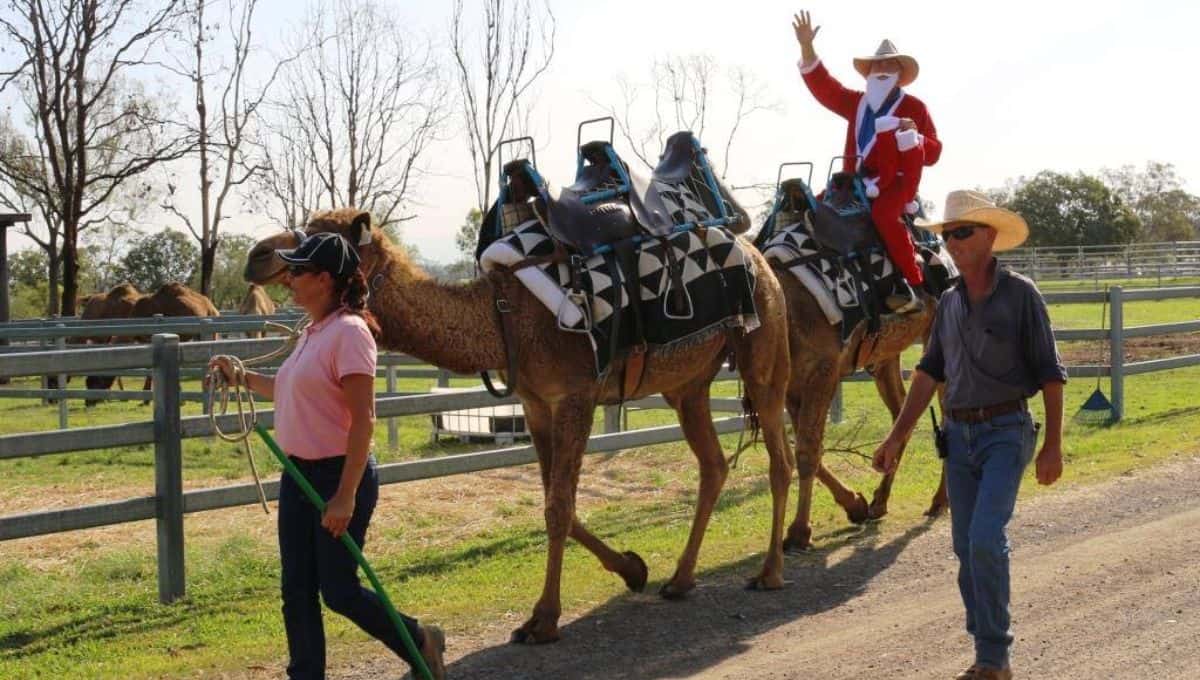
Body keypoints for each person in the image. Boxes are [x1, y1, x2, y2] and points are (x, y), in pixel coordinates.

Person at [209, 231, 445, 680]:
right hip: (298, 477)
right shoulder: (313, 332)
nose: (288, 280)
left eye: (297, 272)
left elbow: (364, 420)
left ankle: (419, 640)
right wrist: (240, 376)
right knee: (296, 589)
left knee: (338, 591)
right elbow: (287, 389)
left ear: (323, 279)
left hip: (337, 476)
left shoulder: (350, 334)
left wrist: (346, 495)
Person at [873, 190, 1067, 680]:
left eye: (962, 232)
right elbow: (928, 372)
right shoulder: (950, 304)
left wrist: (1052, 445)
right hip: (958, 437)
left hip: (1007, 430)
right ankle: (985, 651)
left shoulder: (1022, 295)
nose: (953, 242)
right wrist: (896, 437)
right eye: (948, 235)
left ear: (990, 237)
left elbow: (1050, 371)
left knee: (984, 536)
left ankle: (995, 655)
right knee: (964, 546)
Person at [792, 10, 942, 312]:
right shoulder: (856, 102)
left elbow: (935, 152)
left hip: (895, 185)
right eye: (877, 64)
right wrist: (807, 47)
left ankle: (910, 285)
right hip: (852, 184)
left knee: (886, 218)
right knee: (806, 210)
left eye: (889, 64)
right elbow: (826, 88)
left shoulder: (915, 107)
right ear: (869, 71)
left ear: (899, 71)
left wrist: (915, 135)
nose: (882, 68)